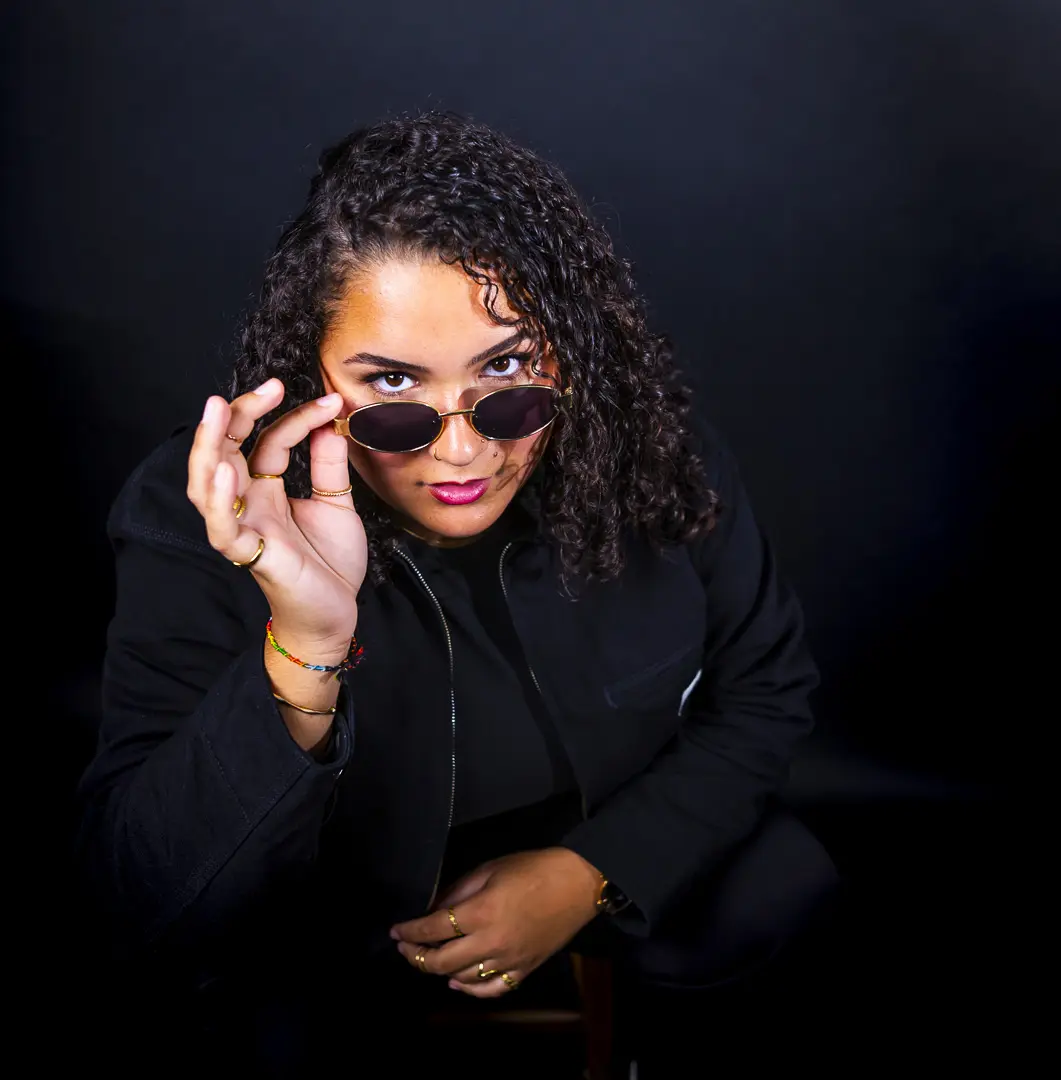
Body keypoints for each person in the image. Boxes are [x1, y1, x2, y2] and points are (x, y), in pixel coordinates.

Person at [77, 112, 837, 1075]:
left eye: (508, 370)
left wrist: (589, 876)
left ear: (570, 346)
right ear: (310, 376)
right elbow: (140, 895)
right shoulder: (203, 517)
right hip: (326, 915)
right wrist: (306, 638)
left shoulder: (657, 460)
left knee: (782, 881)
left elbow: (764, 698)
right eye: (393, 383)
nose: (464, 449)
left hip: (596, 843)